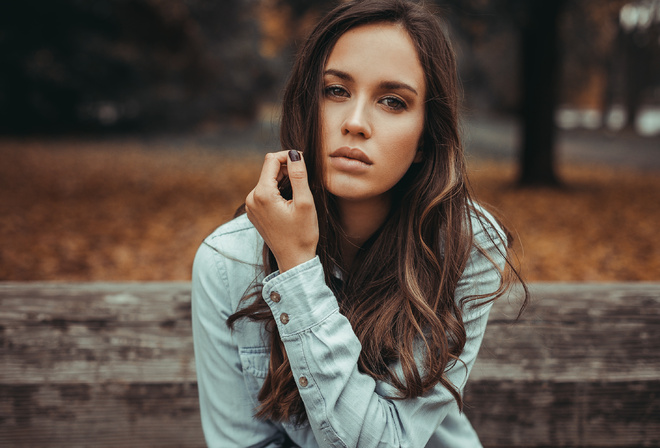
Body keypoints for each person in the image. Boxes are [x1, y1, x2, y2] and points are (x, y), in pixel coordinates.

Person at [191, 0, 527, 446]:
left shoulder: (467, 246)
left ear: (427, 137)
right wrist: (293, 264)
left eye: (392, 101)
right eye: (336, 91)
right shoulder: (227, 262)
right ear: (308, 105)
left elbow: (392, 440)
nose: (354, 123)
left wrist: (296, 273)